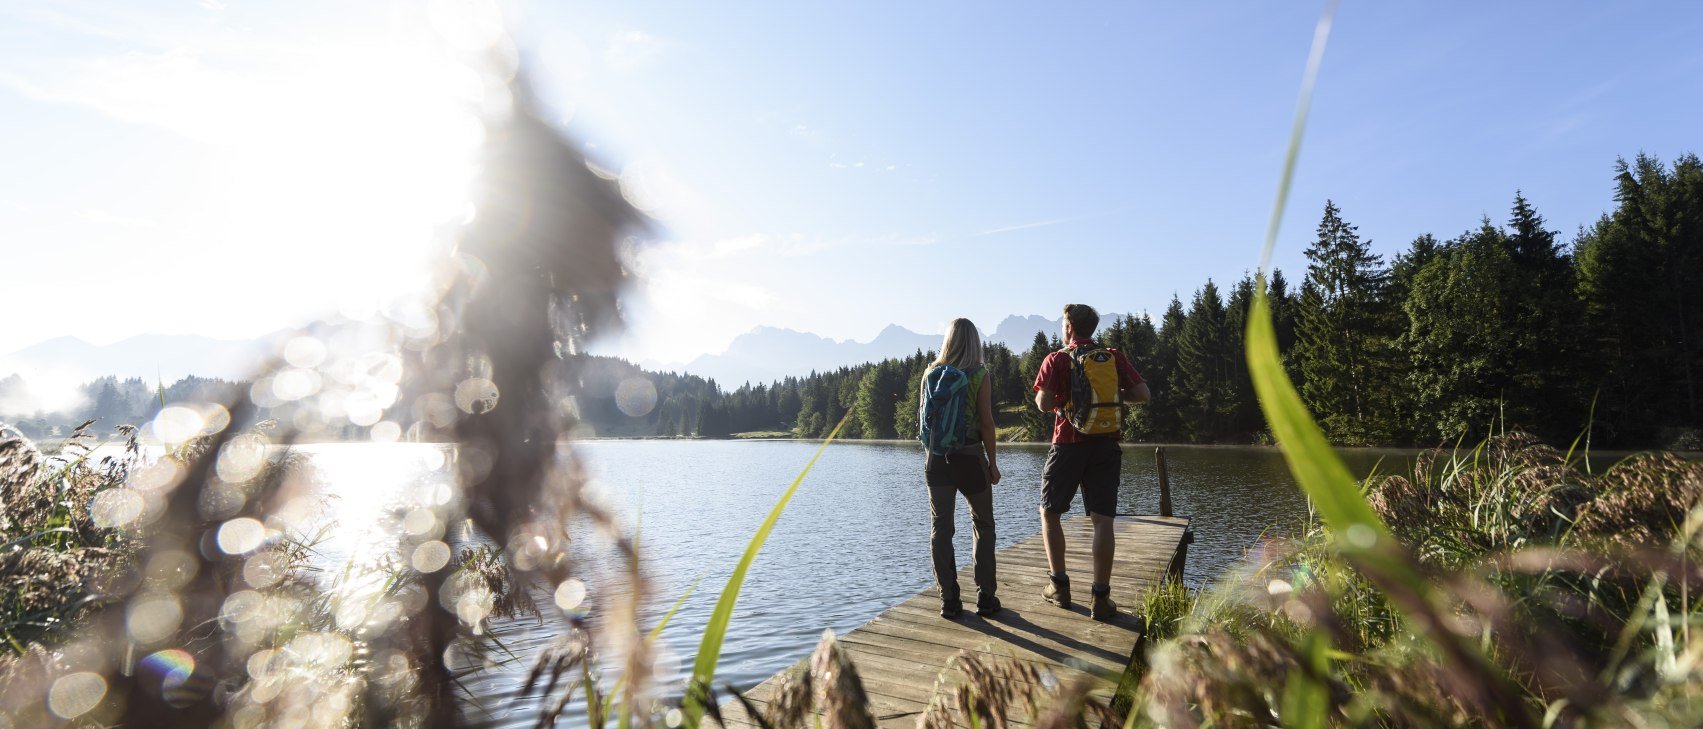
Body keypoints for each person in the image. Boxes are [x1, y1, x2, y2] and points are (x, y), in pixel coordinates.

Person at [1032, 304, 1150, 621]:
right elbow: (1143, 393)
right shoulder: (1112, 356)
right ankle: (1101, 598)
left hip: (1068, 444)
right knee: (1103, 521)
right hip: (1106, 444)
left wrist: (1066, 397)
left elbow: (1043, 403)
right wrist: (1108, 394)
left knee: (1050, 513)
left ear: (1069, 326)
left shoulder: (1057, 359)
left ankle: (1059, 587)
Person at [920, 318, 1002, 619]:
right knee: (983, 524)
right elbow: (986, 422)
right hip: (969, 457)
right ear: (974, 342)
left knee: (941, 528)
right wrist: (992, 463)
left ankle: (949, 600)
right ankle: (985, 597)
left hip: (937, 460)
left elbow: (924, 422)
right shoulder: (979, 374)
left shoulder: (930, 372)